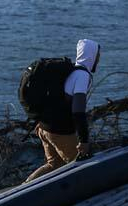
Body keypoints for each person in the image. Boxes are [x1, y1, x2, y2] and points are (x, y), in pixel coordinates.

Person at [24, 39, 101, 182]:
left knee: (54, 165)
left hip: (44, 127)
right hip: (59, 131)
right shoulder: (82, 76)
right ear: (91, 56)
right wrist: (84, 141)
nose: (99, 58)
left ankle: (23, 189)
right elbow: (78, 112)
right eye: (98, 55)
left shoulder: (71, 71)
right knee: (82, 167)